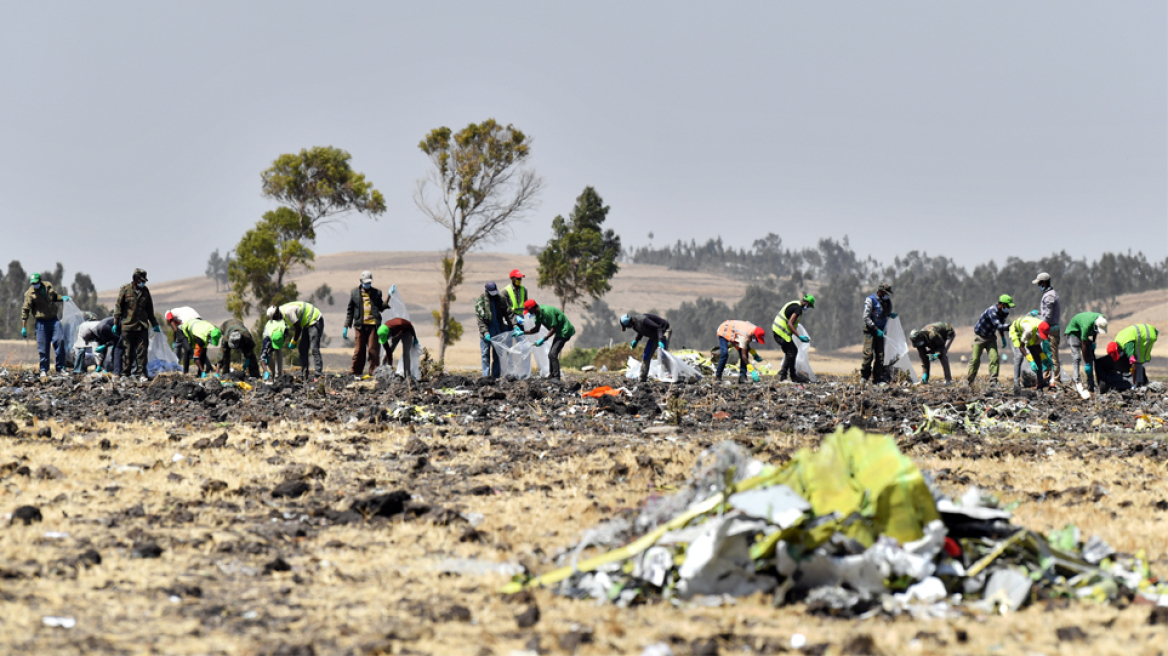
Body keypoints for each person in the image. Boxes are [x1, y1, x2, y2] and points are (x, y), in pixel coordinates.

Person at [114, 268, 161, 379]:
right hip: (128, 326)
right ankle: (126, 374)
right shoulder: (125, 290)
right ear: (135, 279)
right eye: (141, 280)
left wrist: (154, 323)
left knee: (142, 352)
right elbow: (118, 307)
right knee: (128, 351)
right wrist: (116, 323)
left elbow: (150, 309)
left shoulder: (145, 291)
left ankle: (141, 374)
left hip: (142, 326)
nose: (143, 283)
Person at [20, 273, 70, 375]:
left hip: (54, 320)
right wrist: (23, 326)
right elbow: (25, 310)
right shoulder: (30, 294)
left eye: (36, 282)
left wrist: (62, 298)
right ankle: (44, 370)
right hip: (41, 323)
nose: (35, 284)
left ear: (40, 281)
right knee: (43, 348)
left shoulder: (48, 286)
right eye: (33, 283)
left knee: (60, 341)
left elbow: (54, 297)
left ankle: (60, 368)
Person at [516, 299, 575, 380]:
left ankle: (556, 377)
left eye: (529, 311)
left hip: (565, 330)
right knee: (550, 354)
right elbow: (536, 330)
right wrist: (522, 332)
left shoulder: (547, 312)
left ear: (532, 308)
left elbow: (554, 327)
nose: (529, 313)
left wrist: (543, 339)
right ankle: (552, 375)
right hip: (559, 332)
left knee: (553, 354)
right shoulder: (538, 315)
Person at [344, 271, 388, 377]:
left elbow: (381, 307)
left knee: (373, 350)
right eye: (365, 282)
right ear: (361, 281)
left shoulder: (377, 293)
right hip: (360, 326)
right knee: (359, 350)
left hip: (373, 325)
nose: (367, 285)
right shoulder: (354, 293)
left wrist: (389, 298)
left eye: (369, 282)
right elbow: (350, 310)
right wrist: (346, 326)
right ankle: (355, 372)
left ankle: (374, 372)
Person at [268, 302, 324, 381]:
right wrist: (272, 347)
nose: (276, 321)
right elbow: (284, 333)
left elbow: (298, 329)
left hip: (315, 320)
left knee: (314, 348)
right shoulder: (282, 316)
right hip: (307, 323)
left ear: (276, 315)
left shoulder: (287, 312)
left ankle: (318, 375)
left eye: (274, 318)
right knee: (302, 348)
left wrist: (293, 341)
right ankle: (304, 375)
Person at [966, 295, 1015, 385]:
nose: (1008, 309)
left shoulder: (1004, 313)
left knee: (995, 358)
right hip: (980, 337)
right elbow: (998, 326)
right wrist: (1012, 326)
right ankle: (970, 381)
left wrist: (1003, 337)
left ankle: (993, 382)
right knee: (975, 359)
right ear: (1002, 305)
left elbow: (1001, 326)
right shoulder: (992, 311)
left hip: (991, 338)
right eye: (1008, 306)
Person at [771, 294, 815, 383]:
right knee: (790, 353)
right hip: (781, 332)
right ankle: (783, 377)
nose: (808, 308)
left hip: (779, 331)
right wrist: (799, 336)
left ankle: (793, 376)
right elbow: (790, 324)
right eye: (809, 306)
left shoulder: (795, 303)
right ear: (806, 303)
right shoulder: (797, 309)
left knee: (793, 351)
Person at [475, 282, 515, 378]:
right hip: (487, 333)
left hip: (498, 332)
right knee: (485, 355)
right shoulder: (481, 302)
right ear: (487, 291)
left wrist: (514, 325)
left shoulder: (500, 300)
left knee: (497, 355)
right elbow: (481, 321)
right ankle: (486, 377)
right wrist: (485, 333)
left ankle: (495, 376)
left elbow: (508, 313)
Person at [620, 312, 673, 383]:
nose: (628, 328)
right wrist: (636, 340)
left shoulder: (643, 320)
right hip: (654, 335)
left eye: (626, 326)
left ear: (629, 323)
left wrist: (660, 340)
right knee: (646, 355)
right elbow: (641, 331)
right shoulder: (634, 324)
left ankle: (668, 375)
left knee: (663, 355)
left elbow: (658, 327)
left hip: (663, 330)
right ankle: (642, 378)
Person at [1063, 312, 1108, 393]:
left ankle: (1091, 385)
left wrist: (1093, 343)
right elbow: (1084, 346)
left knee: (1090, 357)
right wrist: (1086, 363)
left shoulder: (1102, 319)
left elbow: (1095, 332)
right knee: (1077, 357)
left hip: (1083, 332)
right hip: (1074, 332)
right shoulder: (1086, 326)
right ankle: (1076, 381)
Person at [860, 283, 895, 383]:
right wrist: (875, 329)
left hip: (882, 332)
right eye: (886, 293)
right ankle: (864, 376)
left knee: (880, 356)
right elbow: (866, 317)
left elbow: (886, 314)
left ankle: (877, 378)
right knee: (868, 354)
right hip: (870, 332)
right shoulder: (870, 300)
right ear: (880, 292)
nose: (887, 295)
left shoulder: (887, 302)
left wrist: (890, 315)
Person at [1107, 324, 1159, 388]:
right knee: (1135, 360)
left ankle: (1139, 384)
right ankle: (1140, 382)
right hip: (1147, 330)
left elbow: (1134, 364)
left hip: (1147, 334)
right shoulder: (1118, 341)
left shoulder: (1127, 346)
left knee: (1137, 361)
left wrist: (1134, 383)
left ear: (1118, 349)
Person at [1033, 272, 1062, 386]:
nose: (1038, 285)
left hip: (1050, 330)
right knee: (1045, 354)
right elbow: (1046, 313)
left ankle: (1056, 380)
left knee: (1053, 356)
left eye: (1039, 283)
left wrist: (1039, 326)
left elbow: (1048, 316)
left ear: (1044, 283)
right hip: (1046, 329)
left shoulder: (1050, 295)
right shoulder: (1048, 294)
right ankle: (1046, 378)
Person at [1009, 313, 1049, 391]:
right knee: (1019, 356)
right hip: (1016, 331)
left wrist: (1043, 357)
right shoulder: (1028, 330)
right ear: (1038, 330)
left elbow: (1037, 345)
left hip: (1030, 333)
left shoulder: (1044, 328)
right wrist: (1030, 361)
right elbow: (1021, 346)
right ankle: (1016, 385)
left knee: (1037, 357)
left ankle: (1040, 383)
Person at [165, 307, 201, 374]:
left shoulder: (168, 313)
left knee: (182, 346)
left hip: (189, 322)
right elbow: (175, 329)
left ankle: (176, 365)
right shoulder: (180, 314)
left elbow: (173, 325)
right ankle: (207, 367)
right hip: (198, 320)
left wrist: (177, 334)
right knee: (199, 345)